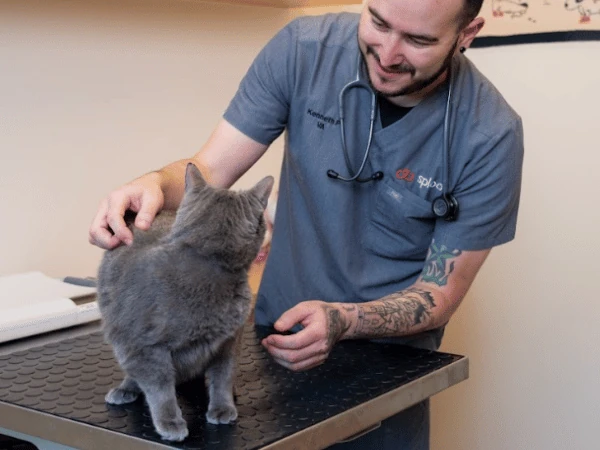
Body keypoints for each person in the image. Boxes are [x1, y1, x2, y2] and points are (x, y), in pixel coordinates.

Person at [89, 0, 524, 448]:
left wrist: (343, 320)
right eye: (378, 22)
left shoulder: (489, 135)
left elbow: (439, 294)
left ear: (466, 34)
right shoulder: (303, 51)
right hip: (274, 345)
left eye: (418, 40)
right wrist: (153, 184)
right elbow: (210, 170)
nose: (389, 53)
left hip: (387, 372)